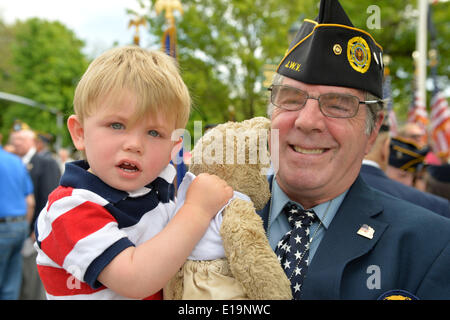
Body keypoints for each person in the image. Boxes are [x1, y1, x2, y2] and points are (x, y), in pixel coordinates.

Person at [259, 0, 450, 299]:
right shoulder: (204, 221)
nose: (307, 121)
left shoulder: (433, 246)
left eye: (337, 105)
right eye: (291, 98)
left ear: (373, 131)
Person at [34, 46, 233, 299]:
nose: (134, 144)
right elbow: (134, 278)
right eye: (117, 125)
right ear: (80, 133)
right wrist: (198, 210)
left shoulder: (161, 190)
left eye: (154, 133)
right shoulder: (69, 208)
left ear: (173, 148)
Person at [9, 125, 61, 300]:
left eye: (20, 140)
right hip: (20, 231)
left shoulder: (45, 163)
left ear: (32, 142)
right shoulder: (16, 163)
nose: (16, 143)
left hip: (34, 233)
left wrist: (36, 232)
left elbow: (49, 198)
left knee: (32, 284)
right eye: (14, 140)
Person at [361, 122, 450, 218]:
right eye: (402, 175)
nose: (409, 182)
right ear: (385, 151)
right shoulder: (434, 206)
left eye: (416, 178)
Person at [0, 133, 35, 299]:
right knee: (11, 285)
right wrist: (24, 226)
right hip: (19, 226)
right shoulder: (16, 161)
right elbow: (30, 202)